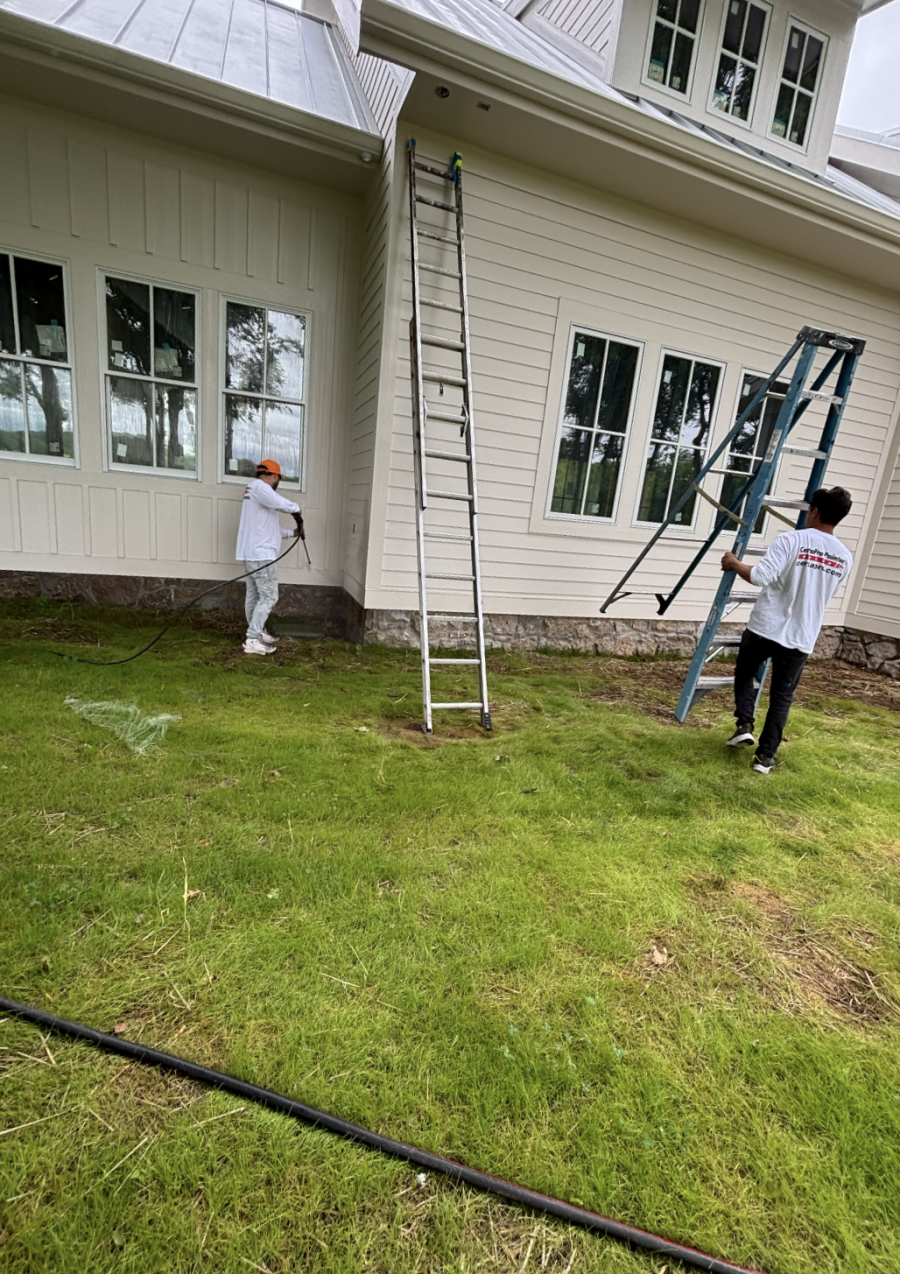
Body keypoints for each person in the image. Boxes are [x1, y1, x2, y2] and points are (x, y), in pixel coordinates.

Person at [721, 486, 853, 774]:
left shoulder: (791, 540)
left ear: (815, 511)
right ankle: (765, 758)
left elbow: (759, 577)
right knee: (782, 696)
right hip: (801, 635)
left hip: (766, 626)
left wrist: (734, 563)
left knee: (745, 672)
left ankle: (744, 724)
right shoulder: (844, 557)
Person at [235, 459, 301, 656]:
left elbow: (268, 528)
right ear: (273, 475)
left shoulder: (254, 492)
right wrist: (297, 509)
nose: (277, 482)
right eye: (278, 478)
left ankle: (257, 632)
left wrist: (293, 532)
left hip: (251, 552)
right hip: (261, 554)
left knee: (254, 596)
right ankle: (253, 638)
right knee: (269, 596)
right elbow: (284, 504)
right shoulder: (260, 488)